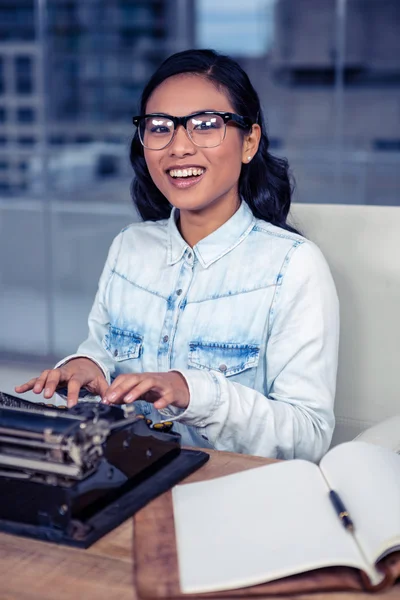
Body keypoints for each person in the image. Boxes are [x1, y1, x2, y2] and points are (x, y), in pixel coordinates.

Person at [16, 49, 339, 461]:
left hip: (234, 494)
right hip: (123, 481)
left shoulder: (294, 266)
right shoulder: (129, 247)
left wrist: (194, 393)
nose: (179, 147)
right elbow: (102, 350)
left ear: (249, 142)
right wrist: (86, 366)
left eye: (206, 126)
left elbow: (306, 438)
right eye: (160, 127)